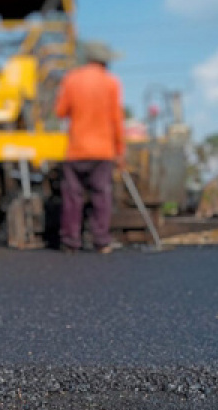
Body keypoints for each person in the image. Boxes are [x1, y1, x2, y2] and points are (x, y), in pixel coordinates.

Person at [54, 41, 126, 254]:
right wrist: (120, 150)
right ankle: (101, 241)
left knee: (72, 197)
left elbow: (60, 111)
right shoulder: (111, 83)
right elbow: (116, 119)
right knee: (101, 195)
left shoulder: (71, 79)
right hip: (103, 150)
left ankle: (70, 241)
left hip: (76, 150)